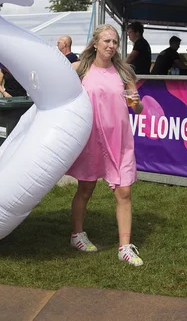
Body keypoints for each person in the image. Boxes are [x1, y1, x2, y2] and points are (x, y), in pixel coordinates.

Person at [66, 24, 145, 266]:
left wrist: (136, 103)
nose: (111, 46)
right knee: (86, 189)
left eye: (115, 42)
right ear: (95, 43)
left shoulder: (124, 73)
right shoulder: (79, 69)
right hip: (91, 138)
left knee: (124, 191)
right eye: (107, 41)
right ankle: (77, 235)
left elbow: (138, 108)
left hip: (119, 139)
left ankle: (125, 246)